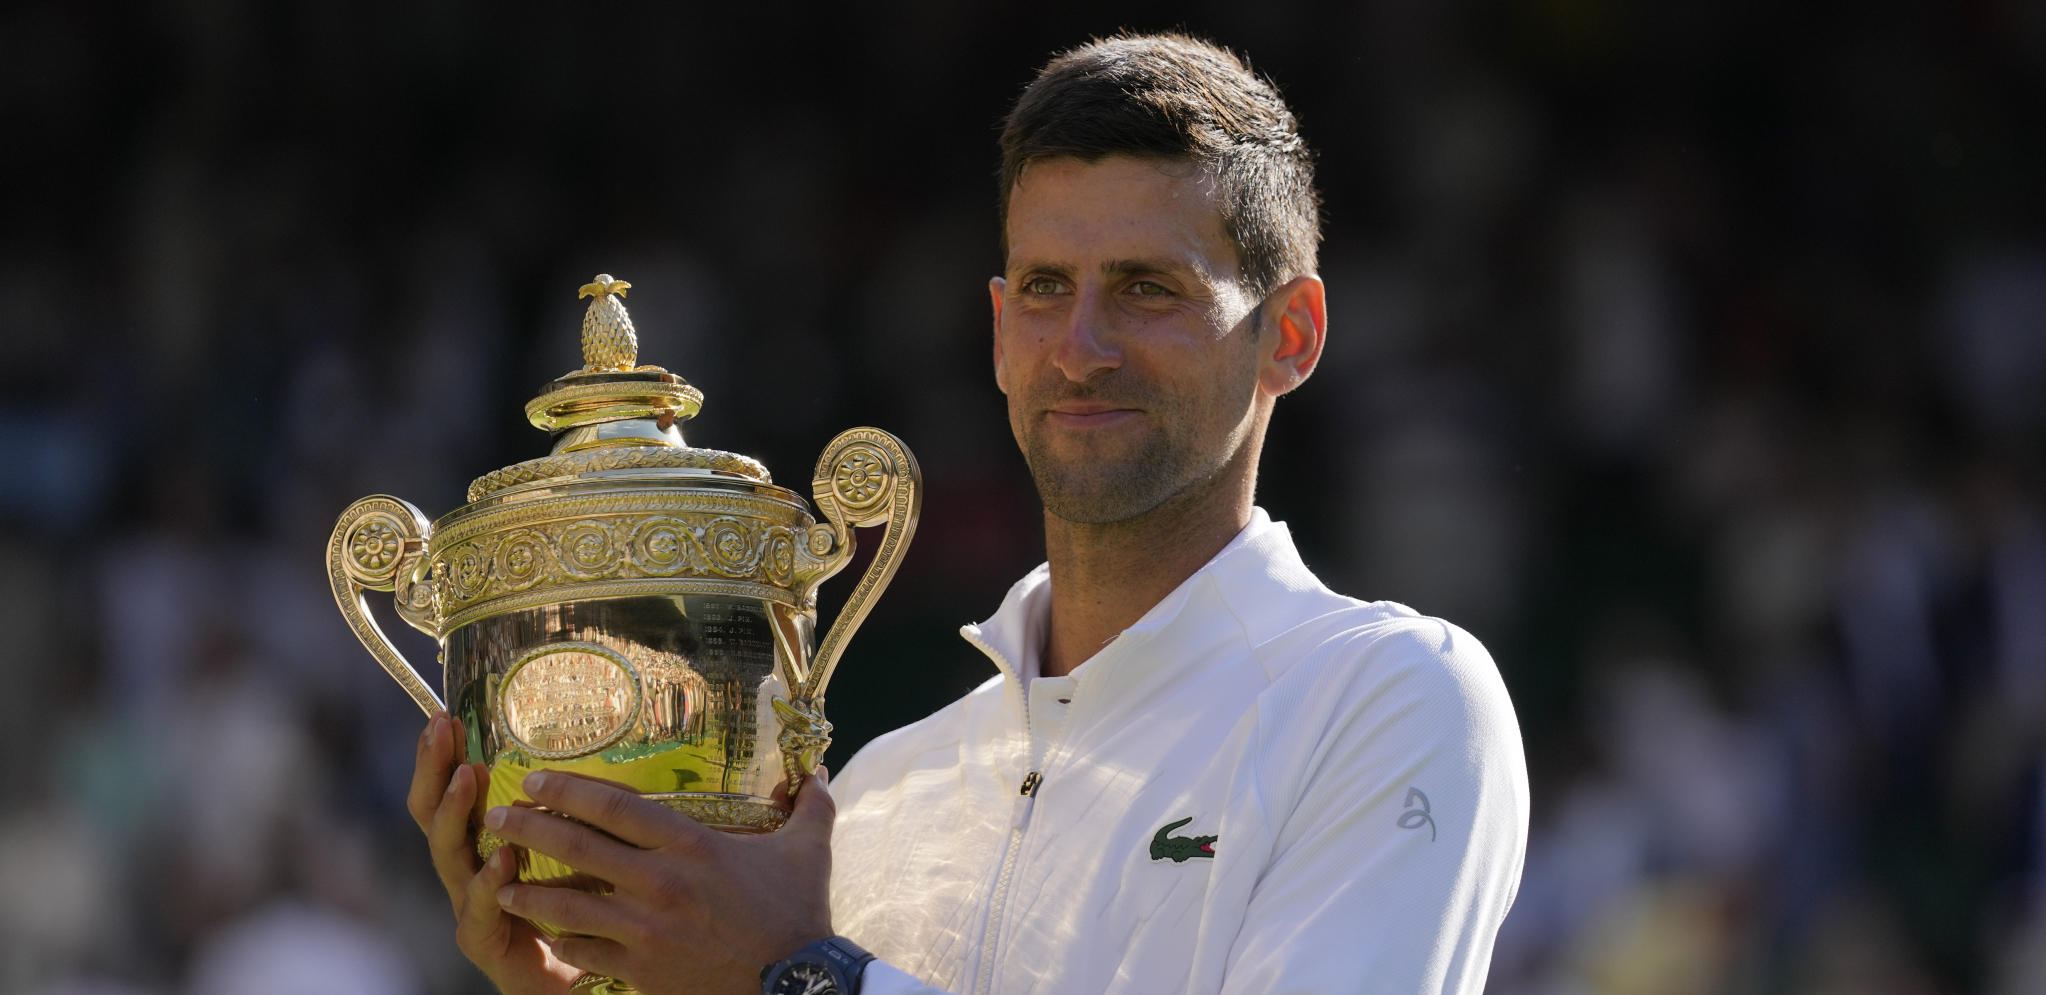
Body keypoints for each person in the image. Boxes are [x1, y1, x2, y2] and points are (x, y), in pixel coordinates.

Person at [408, 33, 1527, 995]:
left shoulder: (1393, 695)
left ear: (1290, 333)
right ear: (999, 331)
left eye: (1148, 288)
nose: (1080, 348)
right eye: (1046, 288)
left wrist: (803, 969)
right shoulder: (880, 789)